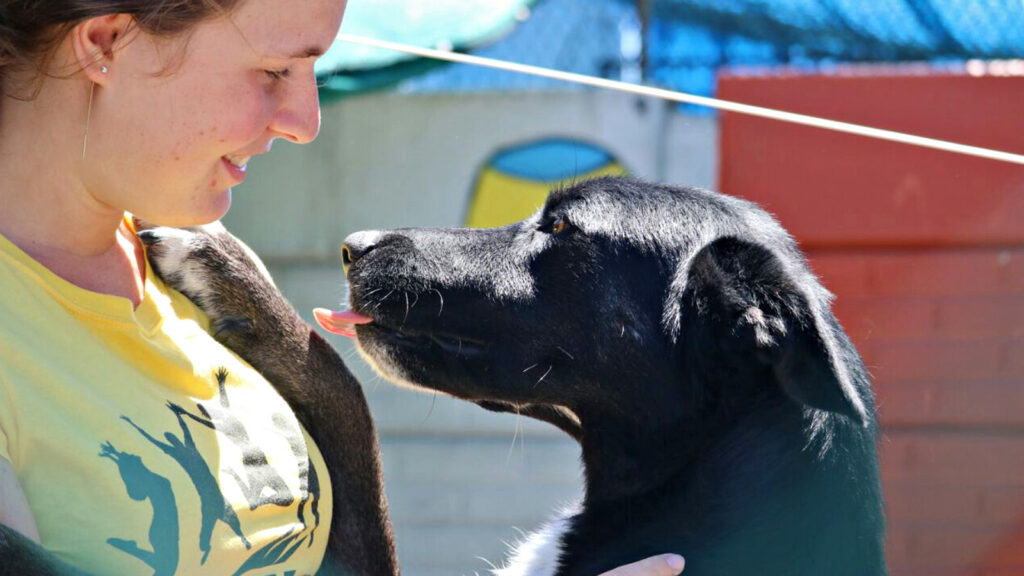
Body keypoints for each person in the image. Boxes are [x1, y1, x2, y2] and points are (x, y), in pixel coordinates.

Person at [0, 1, 685, 575]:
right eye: (273, 70)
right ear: (105, 44)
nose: (304, 121)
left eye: (313, 71)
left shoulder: (196, 265)